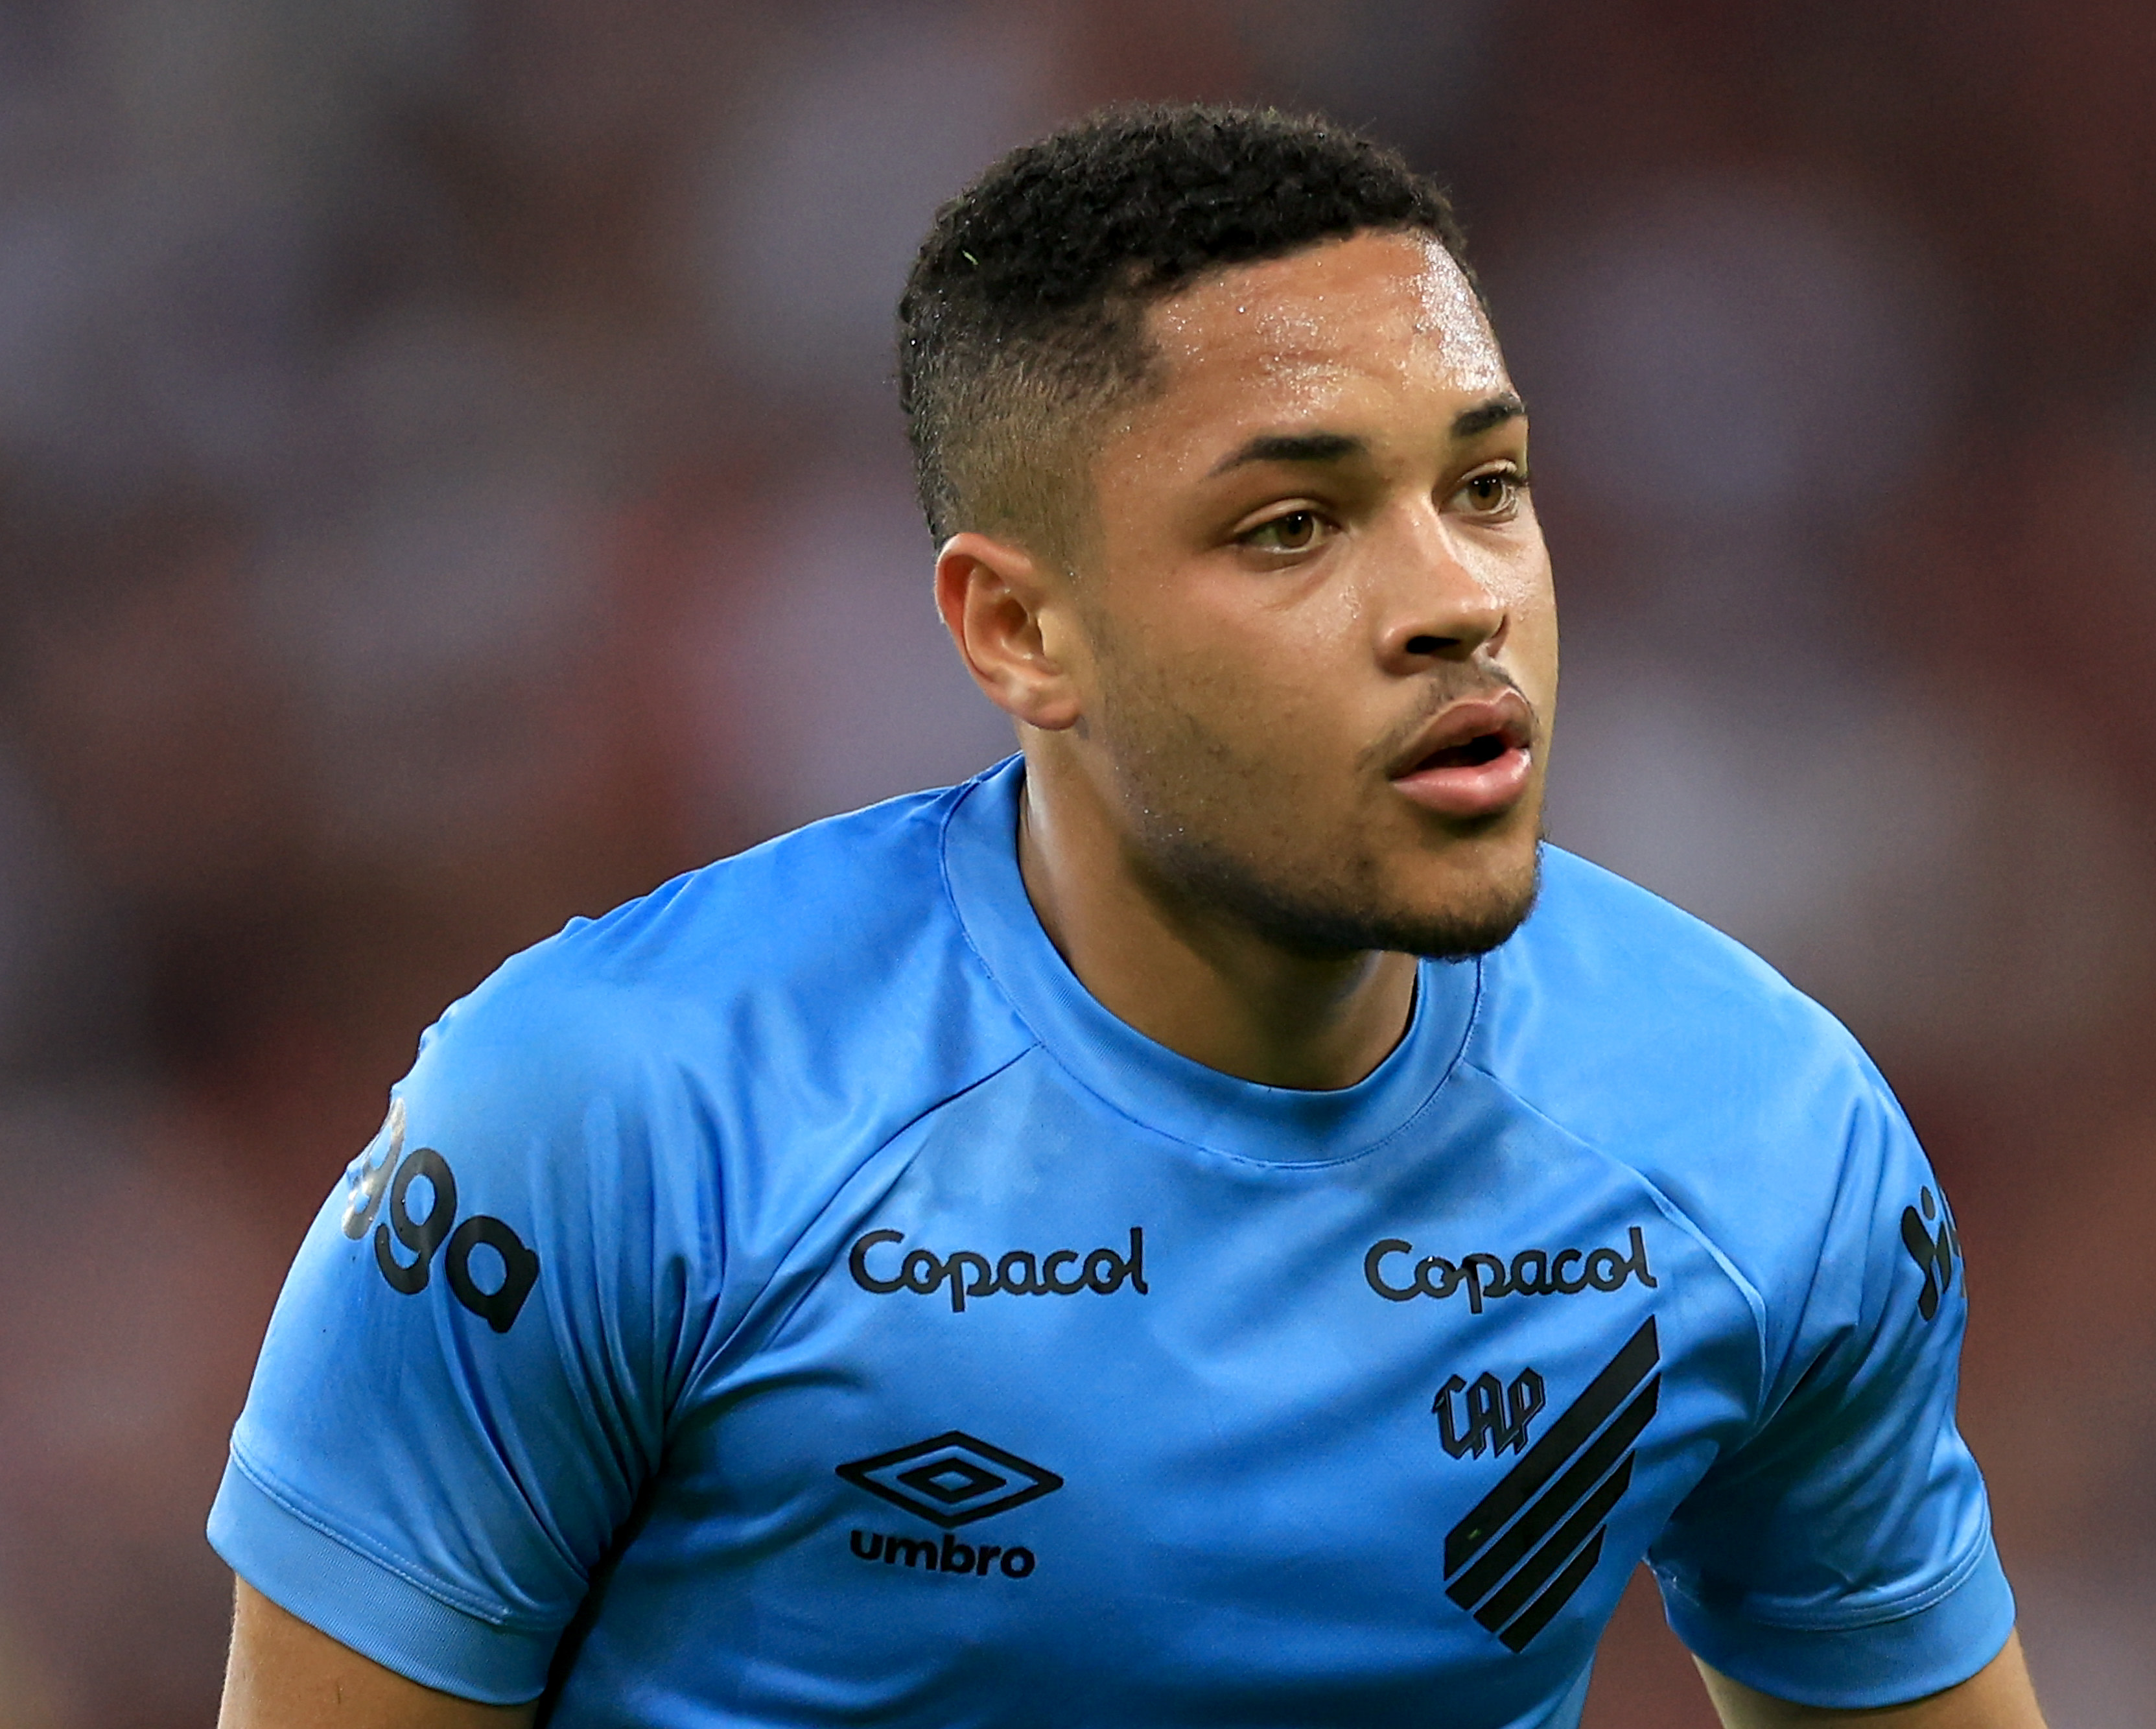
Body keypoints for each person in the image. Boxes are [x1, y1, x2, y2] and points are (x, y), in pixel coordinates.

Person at [210, 104, 2046, 1729]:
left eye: (1486, 487)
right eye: (1292, 527)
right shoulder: (608, 1115)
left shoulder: (1755, 1134)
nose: (1456, 599)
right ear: (1021, 631)